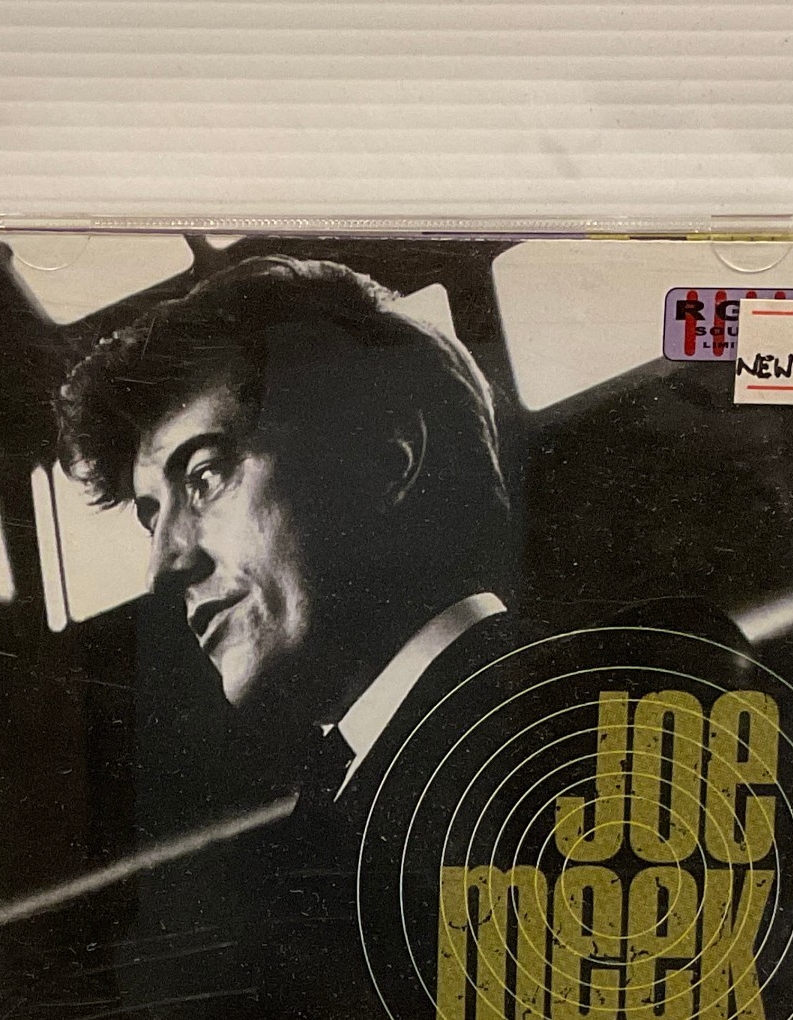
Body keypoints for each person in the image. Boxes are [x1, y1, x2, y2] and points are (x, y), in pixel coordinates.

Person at [55, 253, 519, 817]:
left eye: (205, 476)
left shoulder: (553, 735)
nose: (163, 569)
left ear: (383, 460)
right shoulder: (366, 776)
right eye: (152, 521)